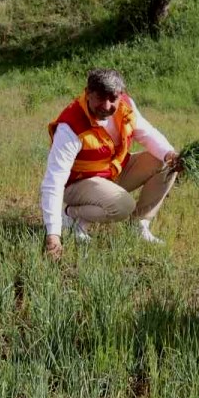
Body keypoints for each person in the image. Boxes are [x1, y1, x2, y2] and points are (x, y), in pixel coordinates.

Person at [41, 68, 181, 260]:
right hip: (78, 185)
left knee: (167, 162)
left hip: (111, 173)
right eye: (100, 97)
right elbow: (53, 181)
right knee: (123, 205)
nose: (106, 106)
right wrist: (53, 235)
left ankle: (139, 226)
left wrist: (170, 154)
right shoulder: (71, 126)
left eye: (112, 98)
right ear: (88, 93)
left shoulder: (125, 106)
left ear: (120, 95)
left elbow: (148, 134)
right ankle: (71, 215)